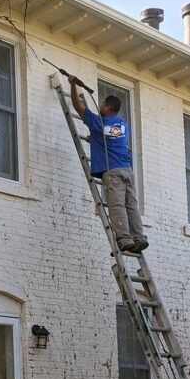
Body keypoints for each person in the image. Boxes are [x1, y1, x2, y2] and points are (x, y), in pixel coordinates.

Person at [70, 77, 148, 252]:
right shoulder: (123, 125)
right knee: (131, 205)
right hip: (127, 169)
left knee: (117, 205)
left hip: (112, 171)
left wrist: (72, 85)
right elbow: (110, 137)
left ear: (107, 107)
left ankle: (124, 239)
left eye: (102, 104)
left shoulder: (98, 123)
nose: (100, 105)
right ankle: (138, 236)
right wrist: (94, 139)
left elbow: (77, 105)